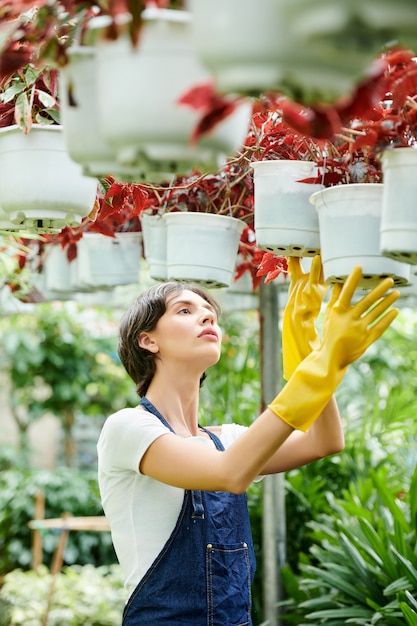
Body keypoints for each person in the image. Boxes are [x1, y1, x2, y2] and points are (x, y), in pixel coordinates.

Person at [97, 256, 399, 626]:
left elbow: (325, 441)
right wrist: (323, 363)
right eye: (185, 310)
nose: (208, 318)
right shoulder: (128, 428)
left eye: (210, 313)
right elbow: (230, 474)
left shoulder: (230, 440)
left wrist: (308, 347)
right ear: (148, 340)